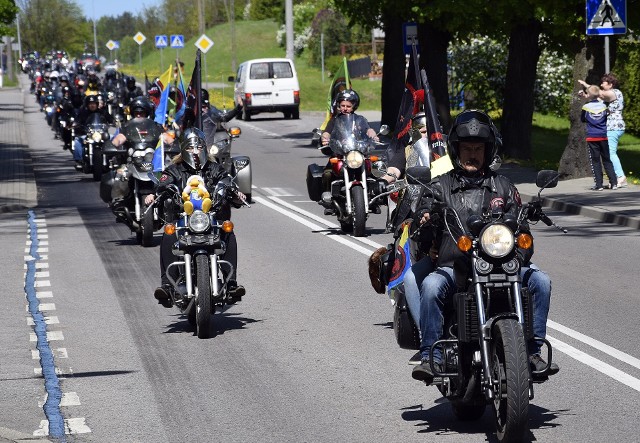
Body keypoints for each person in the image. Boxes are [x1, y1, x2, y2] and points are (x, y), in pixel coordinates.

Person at [407, 110, 559, 384]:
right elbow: (422, 219)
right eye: (467, 148)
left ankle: (534, 352)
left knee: (542, 282)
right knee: (430, 287)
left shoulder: (503, 186)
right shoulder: (440, 185)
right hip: (456, 266)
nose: (472, 154)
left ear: (488, 151)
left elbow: (522, 230)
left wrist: (521, 252)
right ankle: (432, 356)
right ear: (457, 150)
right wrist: (426, 218)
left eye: (478, 148)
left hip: (502, 264)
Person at [143, 128, 246, 307]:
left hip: (210, 218)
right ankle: (167, 286)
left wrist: (236, 192)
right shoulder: (175, 169)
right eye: (191, 148)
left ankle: (231, 284)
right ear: (183, 149)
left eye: (198, 147)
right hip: (183, 218)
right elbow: (163, 183)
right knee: (168, 233)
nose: (195, 151)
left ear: (204, 148)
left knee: (228, 229)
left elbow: (227, 180)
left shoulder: (214, 168)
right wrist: (155, 194)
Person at [319, 89, 379, 212]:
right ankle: (328, 197)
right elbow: (327, 132)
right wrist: (325, 138)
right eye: (342, 106)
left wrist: (374, 135)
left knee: (373, 169)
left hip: (357, 153)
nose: (345, 108)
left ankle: (374, 197)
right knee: (328, 172)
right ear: (338, 106)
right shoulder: (335, 120)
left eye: (348, 106)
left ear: (354, 107)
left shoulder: (359, 119)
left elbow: (368, 129)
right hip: (341, 153)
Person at [579, 73, 627, 187]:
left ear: (610, 84)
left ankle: (620, 177)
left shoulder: (614, 92)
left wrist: (586, 85)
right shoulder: (608, 95)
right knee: (609, 153)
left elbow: (598, 93)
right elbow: (596, 98)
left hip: (613, 126)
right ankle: (616, 179)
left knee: (610, 153)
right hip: (611, 127)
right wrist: (585, 96)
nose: (601, 85)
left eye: (603, 83)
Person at [580, 85, 617, 191]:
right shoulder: (604, 106)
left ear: (589, 95)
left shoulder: (586, 107)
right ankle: (613, 183)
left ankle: (599, 185)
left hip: (592, 137)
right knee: (607, 160)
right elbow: (607, 116)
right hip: (603, 136)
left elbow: (583, 119)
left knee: (595, 161)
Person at [72, 94, 114, 171]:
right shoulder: (83, 113)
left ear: (97, 104)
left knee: (113, 138)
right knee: (77, 140)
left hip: (101, 134)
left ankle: (113, 159)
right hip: (87, 134)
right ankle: (79, 161)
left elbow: (111, 120)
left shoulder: (103, 112)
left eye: (94, 103)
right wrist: (76, 124)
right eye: (90, 104)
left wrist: (112, 122)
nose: (92, 105)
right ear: (87, 105)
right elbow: (77, 121)